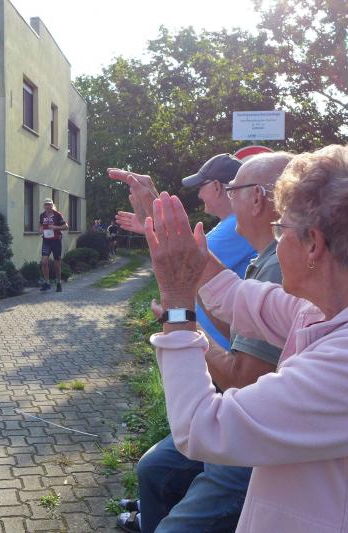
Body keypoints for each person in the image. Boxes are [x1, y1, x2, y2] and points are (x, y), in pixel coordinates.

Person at [143, 142, 348, 532]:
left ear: (314, 245)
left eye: (282, 229)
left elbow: (203, 428)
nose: (277, 240)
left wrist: (176, 304)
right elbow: (238, 297)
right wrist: (178, 245)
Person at [119, 153, 292, 533]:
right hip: (246, 418)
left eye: (233, 190)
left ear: (258, 198)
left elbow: (240, 382)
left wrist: (181, 323)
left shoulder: (280, 265)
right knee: (153, 468)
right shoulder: (267, 258)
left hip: (252, 441)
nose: (226, 198)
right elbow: (228, 309)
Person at [109, 155, 257, 350]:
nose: (199, 195)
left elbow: (184, 257)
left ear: (216, 186)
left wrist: (155, 211)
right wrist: (153, 226)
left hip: (224, 351)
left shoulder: (235, 227)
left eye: (201, 187)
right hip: (216, 346)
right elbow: (183, 255)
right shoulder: (230, 225)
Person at [39, 198, 69, 292]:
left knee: (57, 264)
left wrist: (55, 227)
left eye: (49, 204)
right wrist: (40, 230)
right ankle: (47, 283)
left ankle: (58, 283)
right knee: (44, 262)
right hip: (46, 241)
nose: (47, 206)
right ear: (44, 206)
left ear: (52, 205)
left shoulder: (57, 215)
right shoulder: (42, 215)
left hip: (56, 241)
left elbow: (66, 227)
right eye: (46, 205)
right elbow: (40, 225)